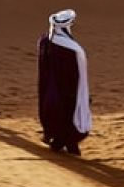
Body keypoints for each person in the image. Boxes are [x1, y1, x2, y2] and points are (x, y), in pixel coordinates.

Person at [37, 9, 91, 155]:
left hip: (49, 88)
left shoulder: (44, 40)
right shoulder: (71, 48)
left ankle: (60, 142)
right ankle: (64, 144)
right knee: (70, 116)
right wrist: (80, 92)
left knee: (57, 114)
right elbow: (74, 72)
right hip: (68, 90)